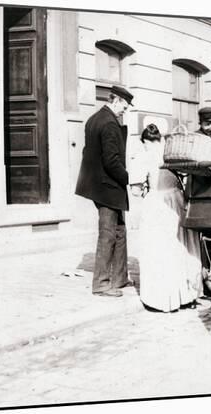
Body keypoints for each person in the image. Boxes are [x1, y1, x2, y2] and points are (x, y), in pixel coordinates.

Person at [75, 86, 134, 298]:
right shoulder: (109, 123)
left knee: (119, 230)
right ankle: (101, 283)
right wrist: (130, 179)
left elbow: (87, 152)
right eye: (124, 107)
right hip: (107, 186)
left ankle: (120, 277)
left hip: (99, 184)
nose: (124, 111)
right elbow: (111, 161)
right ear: (116, 100)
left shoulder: (94, 118)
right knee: (108, 233)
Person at [138, 124, 202, 312]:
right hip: (177, 200)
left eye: (145, 143)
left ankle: (164, 299)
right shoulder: (173, 152)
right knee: (181, 246)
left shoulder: (146, 156)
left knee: (160, 249)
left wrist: (143, 189)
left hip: (158, 204)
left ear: (147, 141)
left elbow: (135, 190)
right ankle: (187, 296)